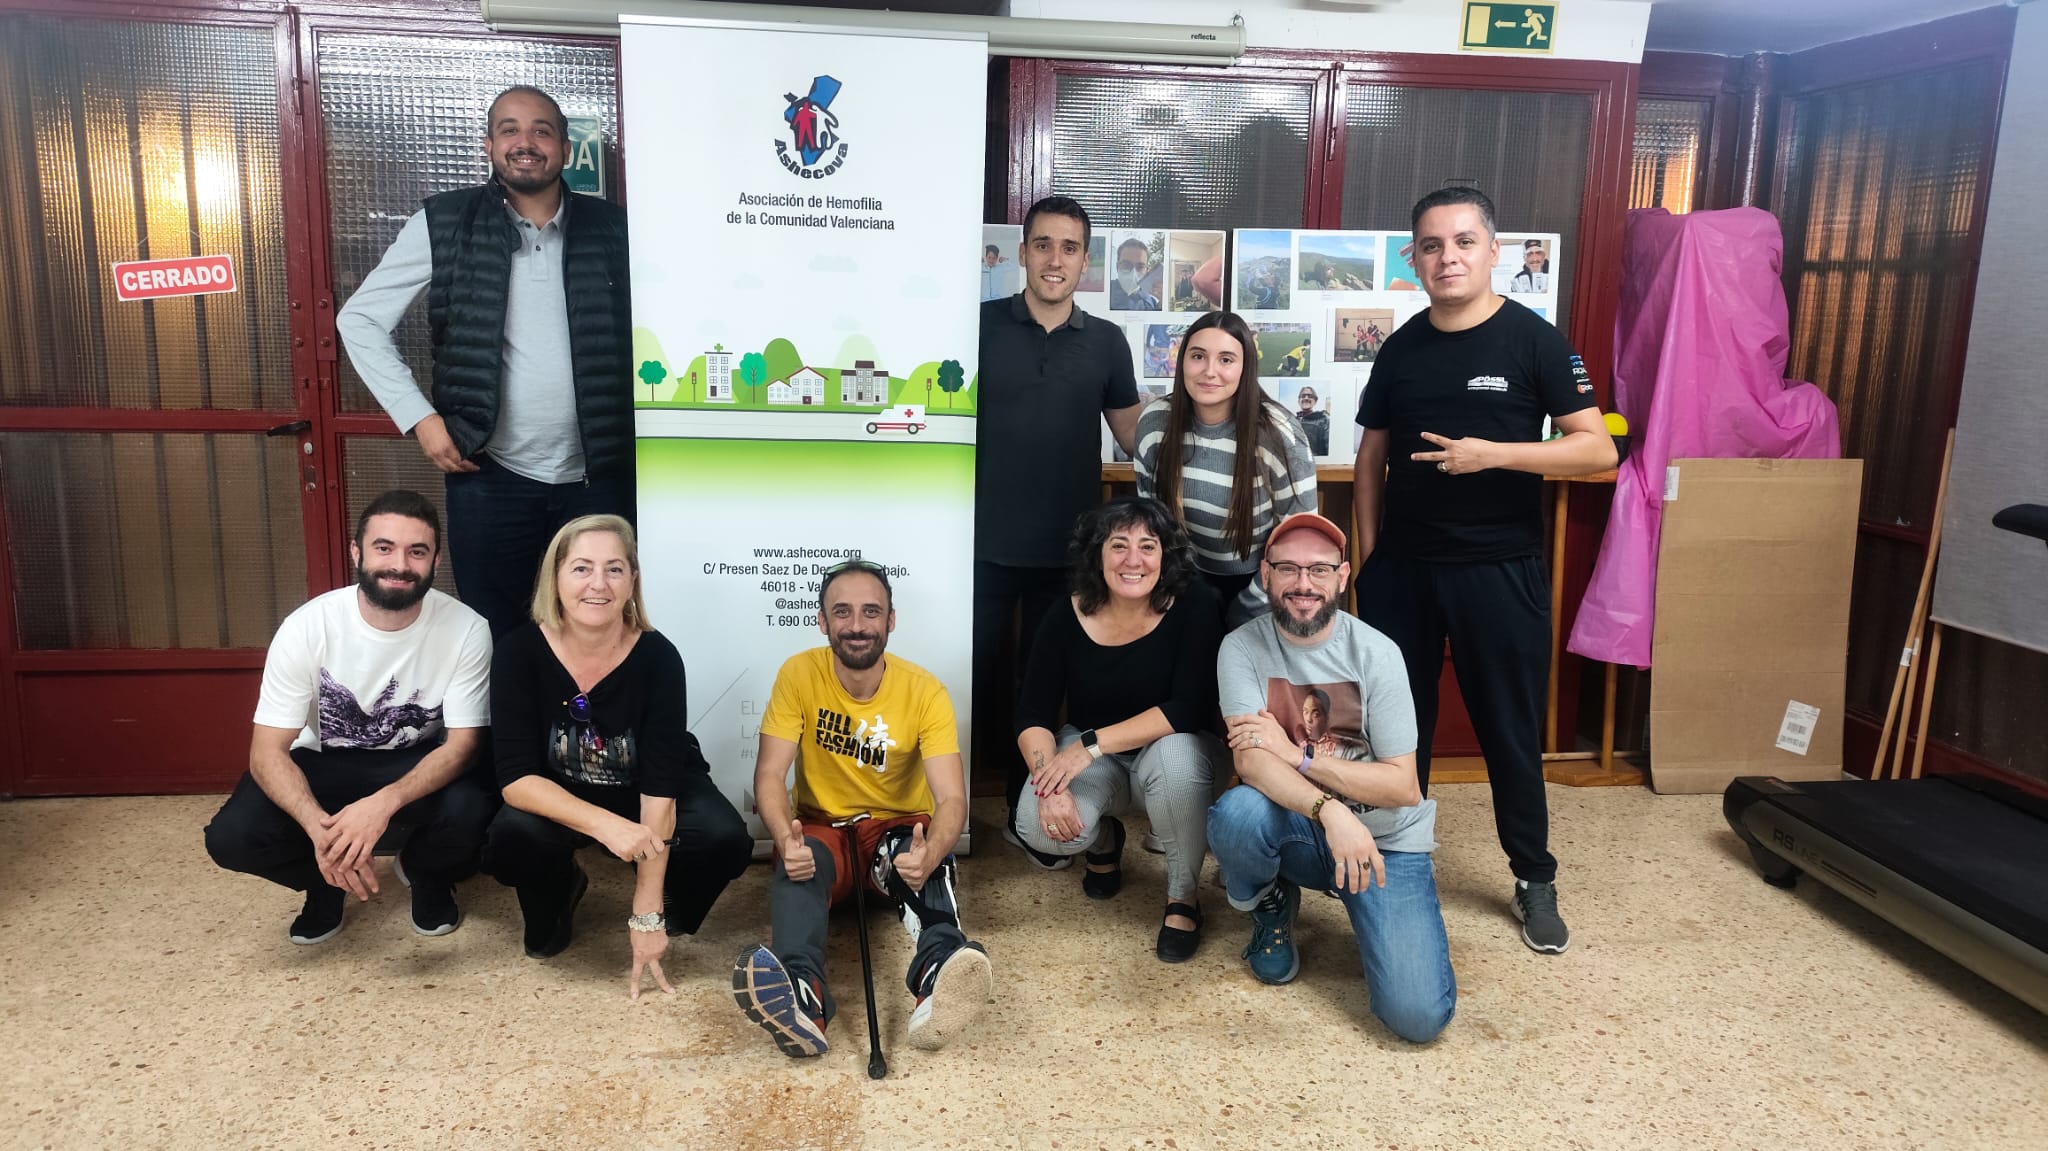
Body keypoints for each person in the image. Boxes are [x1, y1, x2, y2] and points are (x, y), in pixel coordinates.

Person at [1352, 187, 1616, 954]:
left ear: (1494, 250)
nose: (1449, 257)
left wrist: (1494, 454)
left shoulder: (1534, 341)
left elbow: (1596, 448)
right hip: (1404, 571)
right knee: (1398, 730)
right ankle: (1400, 860)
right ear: (1414, 259)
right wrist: (1370, 558)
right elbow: (1371, 456)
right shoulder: (1401, 348)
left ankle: (1533, 875)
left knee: (1509, 730)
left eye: (1464, 241)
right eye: (1432, 245)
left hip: (1500, 570)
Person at [336, 85, 634, 640]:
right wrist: (420, 418)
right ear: (489, 145)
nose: (526, 142)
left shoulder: (613, 229)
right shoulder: (445, 222)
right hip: (490, 473)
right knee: (497, 635)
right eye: (509, 130)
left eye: (542, 130)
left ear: (566, 149)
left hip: (599, 475)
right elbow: (360, 320)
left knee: (599, 626)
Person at [1206, 512, 1455, 1044]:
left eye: (1319, 570)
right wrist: (1330, 810)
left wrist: (1298, 758)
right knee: (1235, 815)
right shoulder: (1241, 648)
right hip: (1301, 825)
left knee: (1417, 1018)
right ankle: (1271, 900)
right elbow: (1251, 762)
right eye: (1288, 569)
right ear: (1265, 576)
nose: (1304, 584)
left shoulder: (1378, 654)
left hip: (1383, 841)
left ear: (1342, 577)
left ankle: (1368, 907)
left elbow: (1403, 787)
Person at [204, 490, 494, 945]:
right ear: (357, 553)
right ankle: (326, 880)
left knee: (477, 808)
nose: (400, 565)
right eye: (384, 548)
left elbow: (463, 745)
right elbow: (267, 752)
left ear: (435, 561)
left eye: (417, 551)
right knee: (231, 837)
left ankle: (426, 871)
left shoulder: (468, 628)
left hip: (416, 759)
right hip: (323, 761)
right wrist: (322, 834)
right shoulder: (307, 626)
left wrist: (384, 803)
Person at [480, 515, 750, 991]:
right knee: (511, 838)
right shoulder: (518, 651)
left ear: (633, 581)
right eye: (582, 568)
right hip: (558, 793)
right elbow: (517, 779)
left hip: (646, 789)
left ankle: (670, 902)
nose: (598, 584)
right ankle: (561, 888)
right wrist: (606, 826)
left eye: (614, 569)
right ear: (556, 577)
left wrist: (647, 910)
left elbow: (661, 790)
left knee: (723, 838)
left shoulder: (659, 657)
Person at [734, 561, 992, 1057]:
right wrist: (783, 838)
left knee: (919, 852)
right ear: (822, 621)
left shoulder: (924, 690)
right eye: (842, 612)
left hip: (893, 833)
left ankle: (939, 973)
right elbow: (769, 775)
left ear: (891, 620)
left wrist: (933, 850)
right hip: (824, 830)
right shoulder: (798, 674)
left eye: (871, 612)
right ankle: (803, 1000)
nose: (857, 625)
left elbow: (951, 799)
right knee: (800, 861)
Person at [976, 195, 1142, 848]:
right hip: (981, 543)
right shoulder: (978, 325)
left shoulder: (1107, 341)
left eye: (1069, 247)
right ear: (1022, 252)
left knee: (1041, 688)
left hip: (1070, 551)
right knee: (976, 677)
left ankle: (1027, 812)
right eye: (1042, 244)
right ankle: (959, 810)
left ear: (1084, 261)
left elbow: (1133, 436)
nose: (1054, 259)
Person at [1011, 498, 1228, 962]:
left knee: (1176, 757)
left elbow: (1187, 708)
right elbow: (1032, 713)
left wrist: (1087, 747)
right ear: (1097, 554)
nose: (1134, 560)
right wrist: (1048, 780)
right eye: (1119, 545)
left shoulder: (1195, 604)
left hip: (1173, 751)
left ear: (1165, 556)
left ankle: (1182, 898)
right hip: (1098, 759)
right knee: (1033, 822)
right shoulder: (1065, 613)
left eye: (1148, 546)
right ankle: (1106, 839)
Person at [1134, 310, 1319, 627]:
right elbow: (1152, 524)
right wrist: (1188, 596)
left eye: (1226, 360)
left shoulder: (1279, 434)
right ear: (1182, 361)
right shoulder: (1155, 423)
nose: (1209, 371)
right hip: (1182, 583)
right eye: (1198, 356)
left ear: (1246, 367)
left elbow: (1300, 537)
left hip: (1262, 590)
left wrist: (1248, 607)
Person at [1110, 237, 1161, 311]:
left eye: (1140, 267)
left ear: (1146, 271)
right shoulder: (1104, 292)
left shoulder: (1151, 304)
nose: (1133, 273)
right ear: (1117, 267)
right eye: (1126, 265)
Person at [1296, 385, 1330, 456]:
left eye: (1310, 396)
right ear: (1299, 401)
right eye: (1303, 396)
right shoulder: (1292, 421)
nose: (1306, 398)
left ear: (1315, 401)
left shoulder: (1324, 420)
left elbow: (1327, 449)